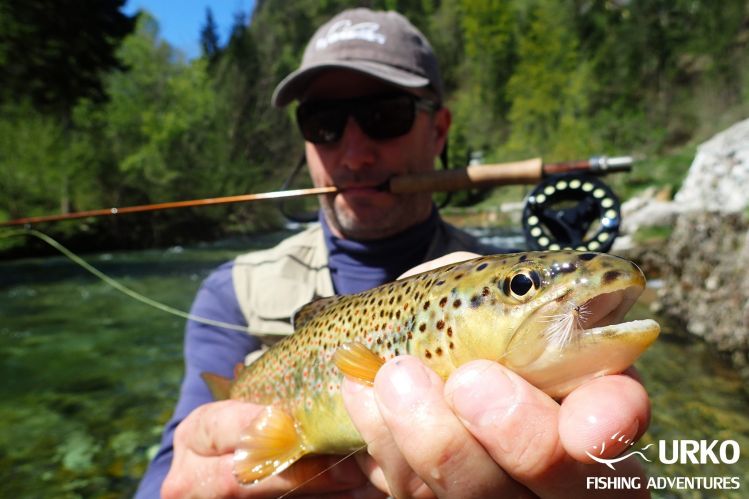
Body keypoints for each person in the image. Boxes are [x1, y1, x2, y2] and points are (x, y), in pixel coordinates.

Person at [136, 8, 651, 498]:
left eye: (385, 115)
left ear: (440, 130)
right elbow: (169, 468)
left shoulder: (481, 268)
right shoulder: (231, 294)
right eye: (324, 122)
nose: (355, 153)